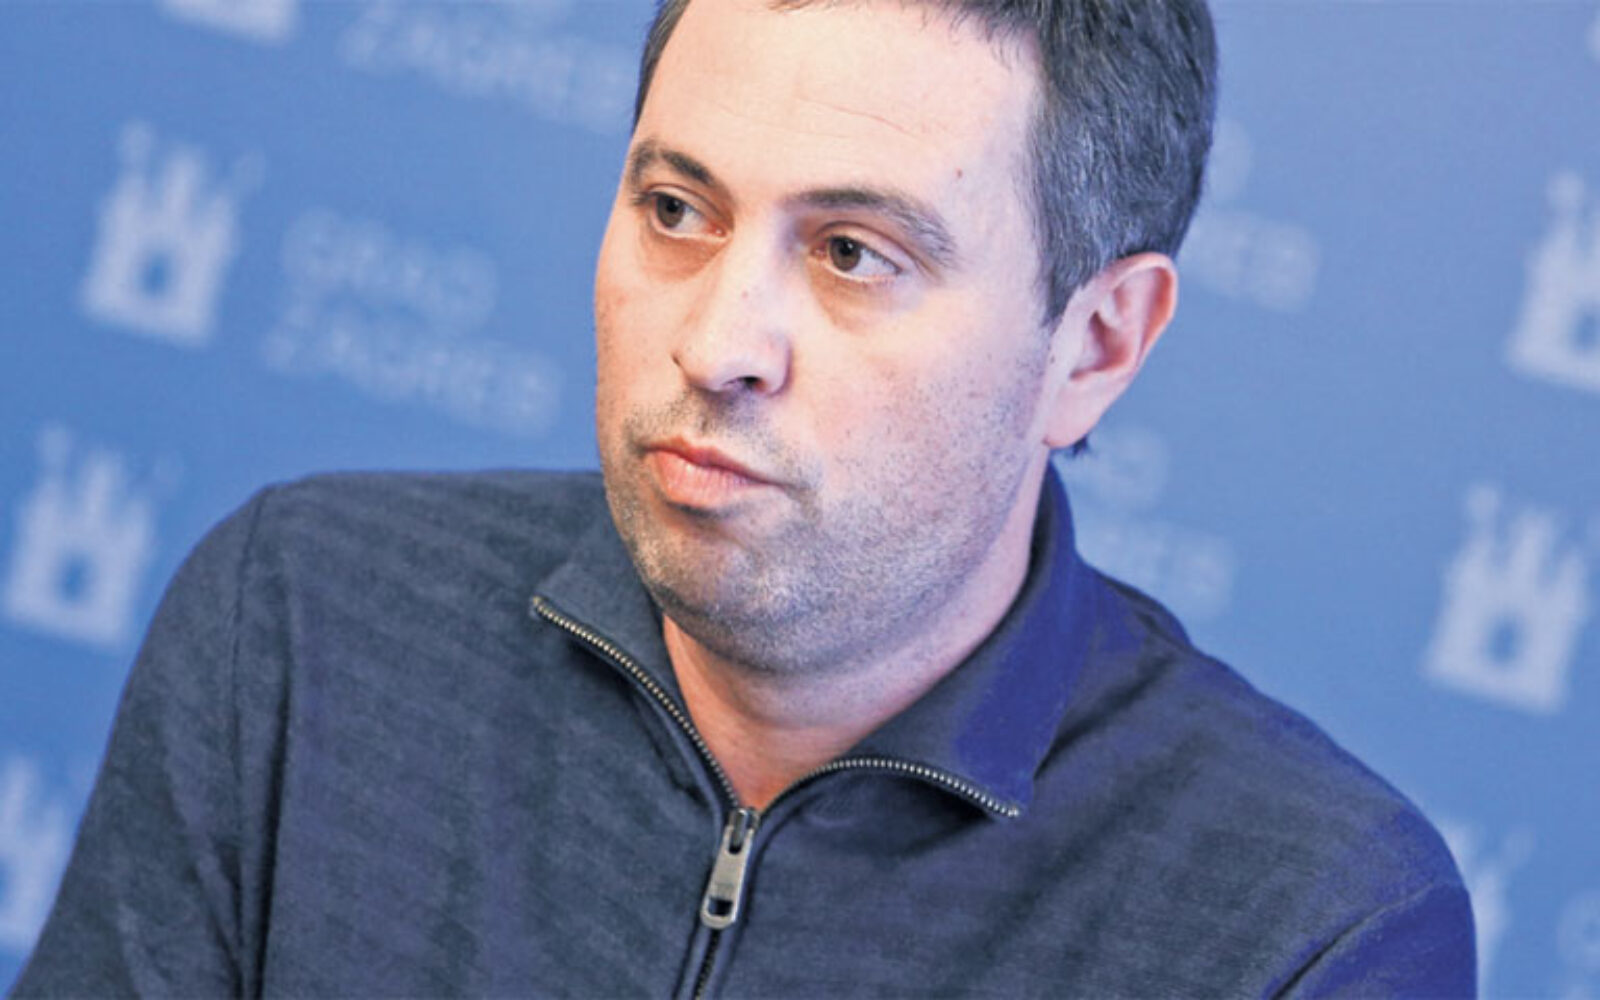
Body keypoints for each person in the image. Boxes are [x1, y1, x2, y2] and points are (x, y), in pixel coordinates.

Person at [13, 0, 1475, 996]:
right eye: (675, 211)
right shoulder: (301, 624)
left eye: (853, 255)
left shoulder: (1308, 923)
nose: (717, 344)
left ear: (1093, 348)